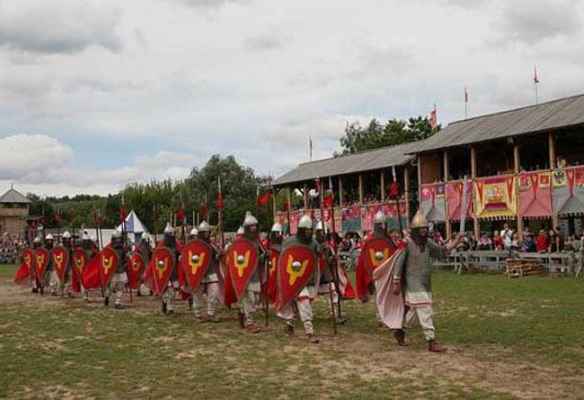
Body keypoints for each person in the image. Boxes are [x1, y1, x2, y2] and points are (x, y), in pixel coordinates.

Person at [391, 210, 463, 353]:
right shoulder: (407, 243)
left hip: (425, 282)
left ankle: (399, 329)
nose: (424, 231)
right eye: (421, 228)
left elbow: (442, 251)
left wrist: (455, 242)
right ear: (415, 230)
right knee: (425, 309)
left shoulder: (428, 242)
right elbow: (398, 261)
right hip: (412, 282)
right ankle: (431, 341)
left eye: (425, 228)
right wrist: (396, 281)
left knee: (413, 314)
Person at [277, 214, 321, 343]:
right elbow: (283, 259)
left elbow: (318, 257)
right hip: (293, 277)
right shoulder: (289, 241)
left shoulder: (313, 243)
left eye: (309, 230)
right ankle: (309, 332)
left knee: (298, 303)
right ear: (301, 230)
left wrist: (322, 250)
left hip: (307, 277)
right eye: (306, 230)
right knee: (304, 301)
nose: (308, 232)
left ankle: (290, 324)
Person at [239, 211, 266, 333]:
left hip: (255, 274)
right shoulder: (241, 242)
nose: (254, 228)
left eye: (255, 225)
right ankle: (250, 323)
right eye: (251, 226)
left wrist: (266, 256)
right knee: (249, 298)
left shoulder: (257, 241)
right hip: (244, 274)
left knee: (255, 298)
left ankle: (242, 313)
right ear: (247, 228)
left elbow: (260, 256)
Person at [191, 221, 222, 322]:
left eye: (207, 232)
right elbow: (189, 258)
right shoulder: (195, 245)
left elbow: (216, 257)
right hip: (198, 272)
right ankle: (198, 314)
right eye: (204, 232)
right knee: (197, 294)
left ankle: (210, 313)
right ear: (200, 233)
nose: (207, 234)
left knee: (215, 292)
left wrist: (219, 255)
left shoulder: (211, 245)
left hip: (211, 271)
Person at [314, 221, 344, 324]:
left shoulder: (328, 246)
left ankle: (334, 314)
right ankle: (300, 314)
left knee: (333, 293)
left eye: (323, 232)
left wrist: (333, 258)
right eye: (320, 232)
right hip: (314, 276)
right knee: (305, 297)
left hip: (326, 275)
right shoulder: (313, 244)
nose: (322, 234)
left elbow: (330, 260)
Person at [104, 230, 128, 309]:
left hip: (121, 270)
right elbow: (105, 260)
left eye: (119, 239)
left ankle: (117, 302)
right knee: (111, 287)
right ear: (113, 239)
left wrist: (126, 262)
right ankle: (107, 297)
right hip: (112, 272)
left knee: (121, 286)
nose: (118, 241)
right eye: (116, 239)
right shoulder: (109, 249)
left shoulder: (123, 249)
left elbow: (125, 259)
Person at [161, 223, 181, 315]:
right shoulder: (161, 246)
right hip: (164, 272)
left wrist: (180, 255)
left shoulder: (176, 246)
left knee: (172, 291)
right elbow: (157, 259)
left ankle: (169, 306)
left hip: (173, 272)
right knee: (166, 291)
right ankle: (166, 304)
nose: (172, 237)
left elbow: (181, 256)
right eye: (171, 235)